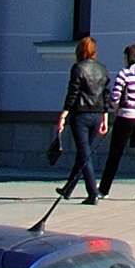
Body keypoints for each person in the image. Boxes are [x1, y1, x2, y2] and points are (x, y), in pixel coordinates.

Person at [54, 33, 112, 203]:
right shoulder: (102, 69)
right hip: (97, 115)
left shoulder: (78, 68)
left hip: (81, 115)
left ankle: (93, 192)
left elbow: (73, 93)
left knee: (84, 153)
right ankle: (68, 188)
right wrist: (105, 117)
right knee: (83, 153)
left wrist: (64, 114)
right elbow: (105, 95)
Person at [102, 42, 135, 201]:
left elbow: (115, 97)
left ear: (128, 58)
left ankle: (104, 189)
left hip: (127, 116)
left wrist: (114, 108)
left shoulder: (125, 74)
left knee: (115, 153)